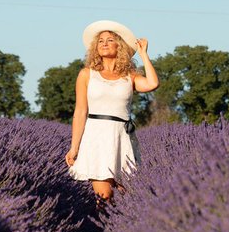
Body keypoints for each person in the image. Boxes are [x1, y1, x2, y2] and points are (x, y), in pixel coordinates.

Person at [65, 20, 159, 202]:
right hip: (96, 136)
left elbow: (153, 83)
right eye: (100, 41)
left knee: (126, 194)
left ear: (120, 46)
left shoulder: (129, 76)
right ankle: (102, 229)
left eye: (109, 40)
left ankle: (122, 228)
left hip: (122, 136)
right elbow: (80, 112)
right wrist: (74, 147)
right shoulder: (86, 74)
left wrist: (144, 55)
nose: (104, 44)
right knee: (104, 195)